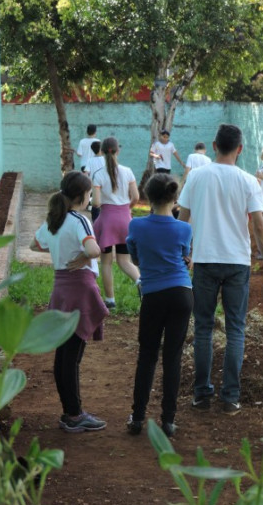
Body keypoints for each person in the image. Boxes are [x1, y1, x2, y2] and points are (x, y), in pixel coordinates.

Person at [177, 124, 263, 415]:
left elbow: (182, 221)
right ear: (240, 149)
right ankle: (231, 397)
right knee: (236, 329)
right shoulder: (249, 181)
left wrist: (183, 254)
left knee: (203, 328)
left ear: (213, 145)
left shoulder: (196, 177)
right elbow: (260, 226)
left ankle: (201, 394)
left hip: (205, 261)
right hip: (237, 263)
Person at [29, 171, 109, 433]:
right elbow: (95, 250)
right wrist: (85, 258)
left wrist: (60, 252)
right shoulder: (79, 220)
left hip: (61, 288)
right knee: (72, 357)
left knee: (64, 355)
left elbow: (34, 245)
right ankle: (74, 414)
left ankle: (70, 411)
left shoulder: (55, 219)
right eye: (88, 194)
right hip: (79, 289)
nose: (89, 199)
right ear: (82, 196)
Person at [125, 174, 194, 438]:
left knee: (148, 355)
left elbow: (135, 256)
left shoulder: (137, 225)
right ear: (175, 198)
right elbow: (183, 255)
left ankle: (138, 417)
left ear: (148, 197)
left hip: (153, 294)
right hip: (182, 294)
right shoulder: (183, 229)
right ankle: (168, 421)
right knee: (172, 357)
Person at [91, 137, 141, 309]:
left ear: (102, 152)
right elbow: (135, 197)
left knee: (106, 262)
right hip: (125, 219)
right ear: (117, 150)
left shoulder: (98, 174)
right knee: (124, 261)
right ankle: (142, 283)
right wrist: (128, 208)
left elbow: (96, 203)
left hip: (106, 220)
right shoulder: (127, 171)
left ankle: (110, 300)